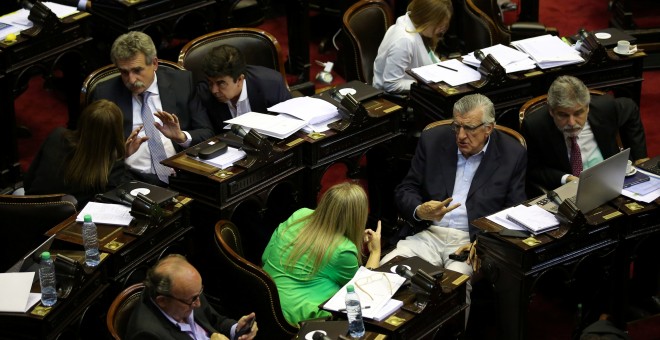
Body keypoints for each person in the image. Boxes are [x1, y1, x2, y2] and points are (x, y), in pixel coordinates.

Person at [381, 93, 527, 322]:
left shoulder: (512, 153)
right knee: (385, 272)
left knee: (452, 291)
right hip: (427, 234)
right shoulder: (433, 140)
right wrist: (420, 210)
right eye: (456, 126)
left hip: (469, 243)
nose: (460, 135)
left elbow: (513, 211)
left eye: (469, 128)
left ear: (488, 128)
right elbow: (405, 189)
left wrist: (484, 243)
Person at [92, 31, 213, 186]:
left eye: (137, 70)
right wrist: (121, 154)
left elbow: (207, 133)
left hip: (181, 175)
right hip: (130, 179)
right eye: (124, 72)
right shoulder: (106, 94)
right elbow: (93, 151)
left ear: (154, 64)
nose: (131, 79)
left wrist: (181, 137)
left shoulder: (182, 83)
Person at [261, 182, 382, 325]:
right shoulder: (343, 251)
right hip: (300, 318)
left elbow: (264, 257)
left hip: (264, 301)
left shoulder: (300, 214)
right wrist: (375, 251)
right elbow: (364, 292)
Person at [521, 75, 647, 191]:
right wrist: (566, 178)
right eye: (563, 115)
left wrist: (640, 157)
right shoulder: (535, 125)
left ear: (587, 108)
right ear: (551, 111)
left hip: (612, 181)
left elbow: (630, 108)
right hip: (569, 191)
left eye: (578, 113)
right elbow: (533, 169)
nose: (571, 122)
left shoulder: (604, 108)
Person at [24, 99, 134, 207]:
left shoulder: (56, 135)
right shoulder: (111, 168)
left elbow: (28, 181)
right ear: (117, 132)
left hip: (28, 208)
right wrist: (124, 157)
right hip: (64, 223)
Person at [126, 254, 258, 340]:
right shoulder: (147, 334)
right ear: (162, 301)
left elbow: (215, 321)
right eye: (192, 299)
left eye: (199, 293)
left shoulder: (189, 293)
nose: (198, 304)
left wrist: (237, 329)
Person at [197, 44, 292, 134]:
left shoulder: (271, 84)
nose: (214, 90)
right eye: (210, 82)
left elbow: (290, 123)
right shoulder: (204, 93)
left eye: (221, 83)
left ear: (239, 79)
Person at [372, 0, 453, 94]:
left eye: (444, 25)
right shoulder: (404, 41)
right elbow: (391, 84)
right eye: (439, 25)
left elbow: (428, 56)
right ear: (426, 19)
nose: (442, 29)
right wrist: (425, 84)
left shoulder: (415, 25)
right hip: (393, 99)